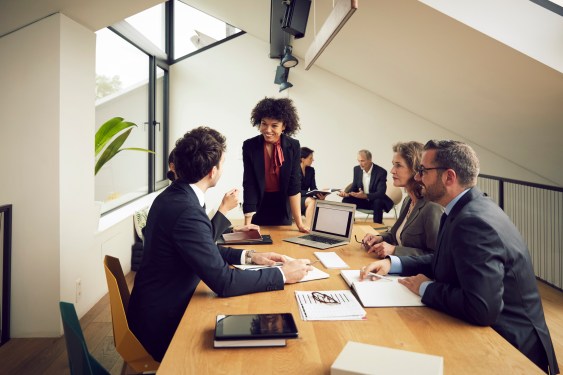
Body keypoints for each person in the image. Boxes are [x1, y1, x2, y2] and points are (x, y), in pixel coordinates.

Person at [360, 140, 559, 374]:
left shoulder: (473, 222)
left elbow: (481, 308)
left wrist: (425, 288)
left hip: (510, 349)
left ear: (449, 177)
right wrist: (392, 263)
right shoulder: (462, 209)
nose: (419, 177)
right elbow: (442, 260)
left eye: (424, 171)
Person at [128, 127, 313, 362]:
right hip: (162, 326)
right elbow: (224, 282)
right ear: (212, 171)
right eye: (223, 164)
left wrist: (249, 256)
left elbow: (201, 247)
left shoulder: (174, 196)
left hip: (158, 307)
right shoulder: (186, 210)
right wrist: (281, 274)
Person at [361, 141, 443, 257]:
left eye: (398, 165)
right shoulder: (408, 201)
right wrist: (378, 238)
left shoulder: (432, 207)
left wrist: (394, 250)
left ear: (415, 169)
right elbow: (396, 235)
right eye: (393, 164)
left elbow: (436, 256)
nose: (392, 170)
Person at [242, 97, 308, 232]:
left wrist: (300, 224)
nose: (268, 130)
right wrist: (247, 222)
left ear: (284, 126)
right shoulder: (249, 146)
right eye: (264, 124)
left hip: (282, 205)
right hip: (259, 205)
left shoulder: (293, 146)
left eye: (274, 125)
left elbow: (294, 184)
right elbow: (249, 183)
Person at [168, 149, 258, 242]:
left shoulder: (189, 193)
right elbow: (204, 240)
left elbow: (200, 232)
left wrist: (233, 230)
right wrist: (224, 208)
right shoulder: (183, 203)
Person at [338, 149, 389, 223]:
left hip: (375, 201)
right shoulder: (357, 169)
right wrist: (347, 194)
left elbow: (381, 193)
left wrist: (365, 196)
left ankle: (378, 226)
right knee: (346, 200)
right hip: (362, 201)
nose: (360, 163)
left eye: (362, 161)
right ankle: (349, 224)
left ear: (370, 160)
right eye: (358, 161)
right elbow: (354, 187)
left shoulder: (381, 172)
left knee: (378, 201)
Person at [300, 147, 327, 227]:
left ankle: (319, 228)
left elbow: (313, 188)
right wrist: (309, 193)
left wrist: (320, 194)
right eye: (310, 158)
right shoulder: (293, 170)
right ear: (302, 159)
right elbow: (294, 190)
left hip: (305, 197)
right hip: (294, 198)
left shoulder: (311, 170)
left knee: (321, 202)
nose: (313, 160)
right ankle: (308, 228)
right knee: (311, 201)